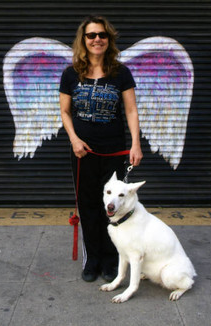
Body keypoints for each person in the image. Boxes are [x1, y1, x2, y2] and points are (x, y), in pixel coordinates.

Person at [59, 15, 143, 282]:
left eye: (102, 35)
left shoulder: (121, 72)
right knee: (88, 205)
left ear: (109, 39)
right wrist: (74, 139)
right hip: (83, 152)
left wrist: (136, 144)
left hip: (114, 149)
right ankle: (92, 259)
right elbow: (64, 111)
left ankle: (110, 260)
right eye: (91, 35)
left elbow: (130, 109)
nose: (97, 39)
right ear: (83, 40)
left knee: (113, 206)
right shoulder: (71, 73)